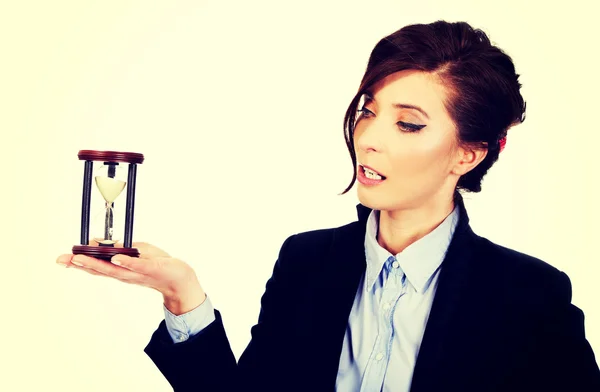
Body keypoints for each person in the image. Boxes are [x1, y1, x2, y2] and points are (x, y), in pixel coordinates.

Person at [56, 20, 600, 392]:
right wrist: (182, 295)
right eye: (368, 111)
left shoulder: (531, 296)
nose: (369, 138)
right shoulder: (307, 261)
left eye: (408, 124)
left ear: (467, 154)